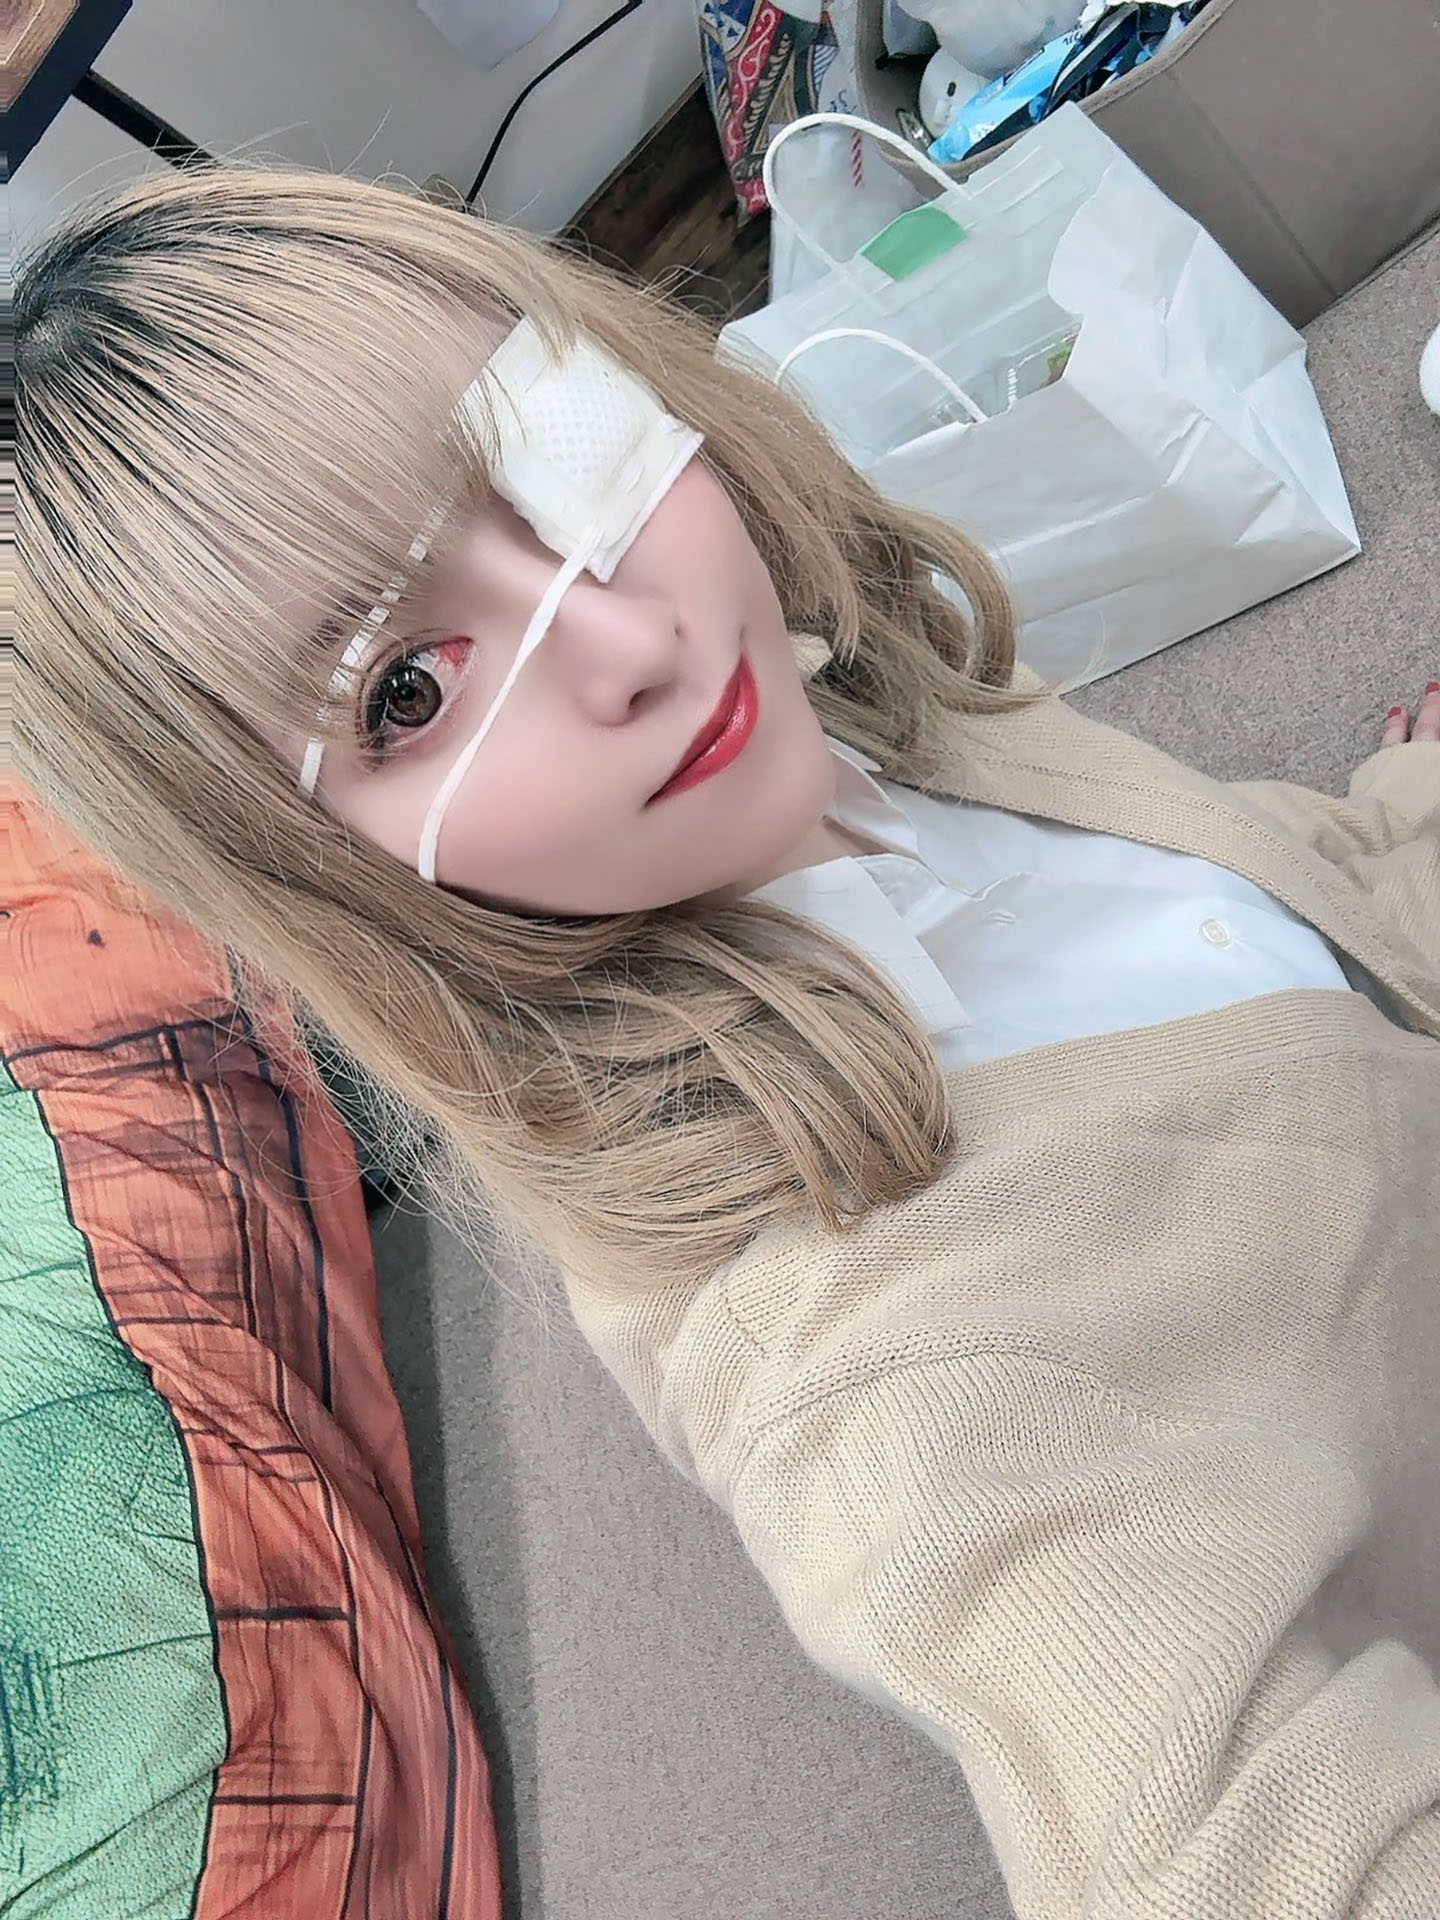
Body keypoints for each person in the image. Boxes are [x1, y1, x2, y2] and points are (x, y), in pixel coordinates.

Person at [16, 161, 1440, 1918]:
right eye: (407, 692)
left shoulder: (844, 706)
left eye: (543, 459)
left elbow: (1250, 916)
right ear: (315, 868)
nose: (631, 638)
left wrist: (1395, 829)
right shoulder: (899, 1389)